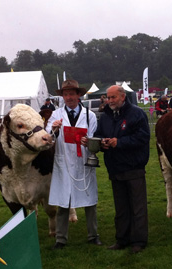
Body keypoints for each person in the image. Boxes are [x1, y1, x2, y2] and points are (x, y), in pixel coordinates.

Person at [46, 79, 102, 249]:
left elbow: (94, 138)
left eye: (72, 94)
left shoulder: (89, 115)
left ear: (78, 95)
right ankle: (61, 239)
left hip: (83, 160)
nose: (68, 97)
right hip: (63, 162)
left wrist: (88, 142)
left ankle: (93, 235)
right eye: (65, 94)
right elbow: (48, 138)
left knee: (89, 200)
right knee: (63, 201)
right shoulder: (56, 115)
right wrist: (54, 129)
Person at [94, 85, 150, 254]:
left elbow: (143, 137)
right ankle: (122, 239)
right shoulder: (105, 117)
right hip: (115, 168)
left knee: (137, 207)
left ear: (122, 97)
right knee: (121, 207)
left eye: (113, 97)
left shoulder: (136, 113)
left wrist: (119, 142)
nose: (109, 101)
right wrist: (101, 142)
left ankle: (139, 241)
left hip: (134, 167)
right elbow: (98, 134)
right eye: (108, 98)